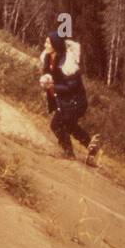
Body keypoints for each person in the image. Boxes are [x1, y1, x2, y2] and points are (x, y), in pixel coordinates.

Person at [39, 31, 102, 165]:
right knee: (70, 126)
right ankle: (93, 150)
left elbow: (71, 87)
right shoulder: (47, 58)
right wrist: (46, 79)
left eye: (48, 42)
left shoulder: (68, 64)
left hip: (76, 102)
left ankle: (69, 153)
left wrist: (52, 85)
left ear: (55, 45)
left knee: (57, 124)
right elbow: (47, 73)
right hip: (64, 101)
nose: (45, 44)